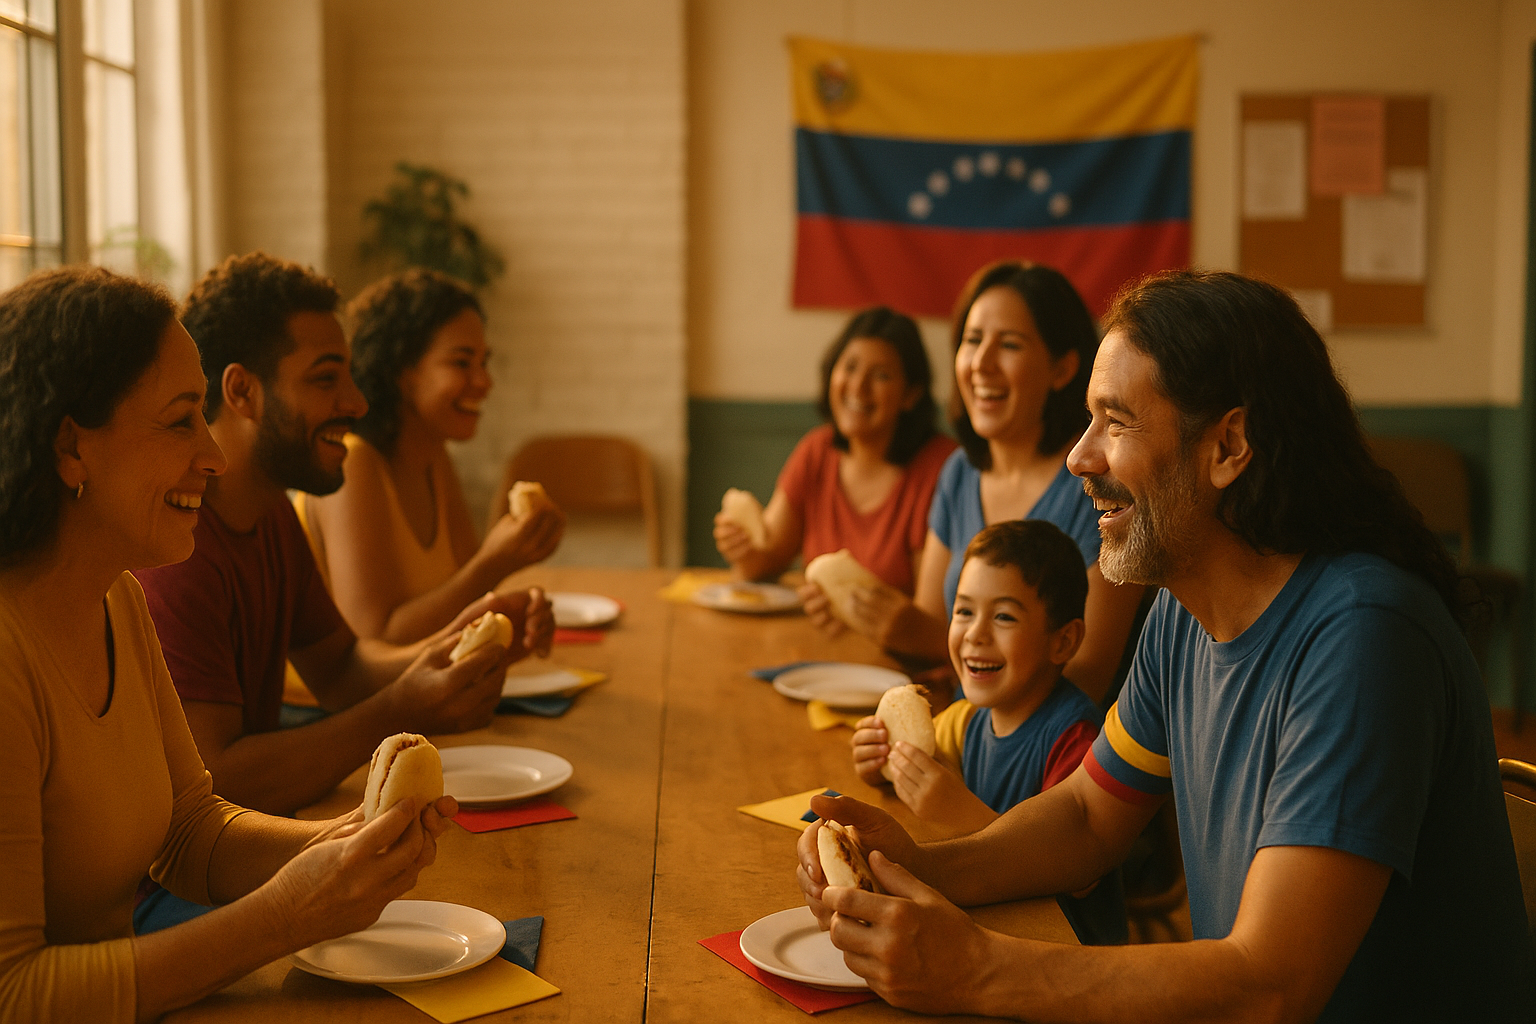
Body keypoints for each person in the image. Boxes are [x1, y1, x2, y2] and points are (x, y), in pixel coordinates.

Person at [796, 270, 1533, 1021]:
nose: (1080, 458)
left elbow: (1271, 986)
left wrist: (978, 969)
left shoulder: (1367, 635)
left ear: (1229, 446)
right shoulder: (1185, 607)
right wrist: (919, 866)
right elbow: (1087, 815)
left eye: (1114, 423)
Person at [0, 266, 457, 1023]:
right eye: (182, 420)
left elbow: (189, 831)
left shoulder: (116, 593)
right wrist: (285, 916)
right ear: (70, 447)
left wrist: (346, 839)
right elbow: (13, 995)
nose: (213, 456)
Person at [134, 252, 553, 824]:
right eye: (326, 378)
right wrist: (400, 708)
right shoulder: (179, 546)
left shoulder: (272, 511)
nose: (356, 402)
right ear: (243, 392)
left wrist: (457, 649)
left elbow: (341, 671)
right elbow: (219, 783)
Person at [804, 264, 1144, 704]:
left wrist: (957, 728)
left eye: (1009, 344)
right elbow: (932, 629)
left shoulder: (1100, 488)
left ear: (1062, 369)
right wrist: (875, 620)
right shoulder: (959, 472)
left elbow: (1088, 676)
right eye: (972, 340)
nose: (981, 364)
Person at [852, 520, 1125, 944]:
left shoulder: (1077, 740)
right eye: (963, 611)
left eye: (1003, 616)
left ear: (1064, 642)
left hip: (1060, 943)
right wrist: (878, 760)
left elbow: (1076, 873)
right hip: (982, 923)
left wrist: (957, 809)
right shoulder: (963, 719)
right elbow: (908, 762)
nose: (975, 634)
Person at [299, 269, 565, 643]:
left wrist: (516, 617)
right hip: (330, 703)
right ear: (402, 373)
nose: (484, 381)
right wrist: (494, 564)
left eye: (483, 362)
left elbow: (462, 600)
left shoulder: (435, 458)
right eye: (461, 363)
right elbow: (374, 639)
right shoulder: (354, 464)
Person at [713, 306, 955, 594]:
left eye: (881, 376)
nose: (858, 386)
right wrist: (742, 549)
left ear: (911, 395)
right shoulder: (817, 451)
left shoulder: (943, 468)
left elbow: (933, 617)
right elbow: (767, 559)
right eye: (850, 367)